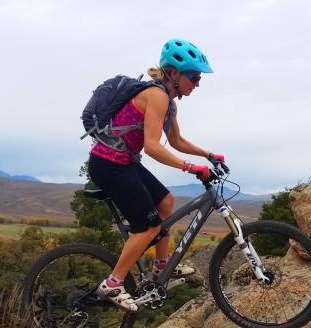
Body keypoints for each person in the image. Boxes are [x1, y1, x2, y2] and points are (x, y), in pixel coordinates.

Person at [87, 38, 225, 313]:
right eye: (194, 76)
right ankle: (113, 283)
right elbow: (151, 146)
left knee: (165, 202)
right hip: (108, 164)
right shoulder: (157, 95)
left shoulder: (170, 101)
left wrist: (207, 155)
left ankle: (164, 266)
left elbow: (175, 140)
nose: (197, 83)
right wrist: (190, 167)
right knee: (148, 226)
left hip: (123, 162)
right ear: (174, 73)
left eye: (199, 78)